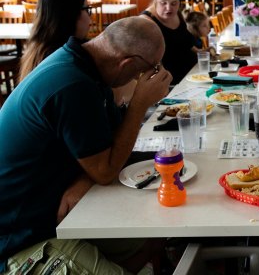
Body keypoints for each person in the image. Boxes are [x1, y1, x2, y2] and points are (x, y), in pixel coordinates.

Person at [0, 16, 172, 274]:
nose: (146, 76)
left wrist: (85, 178)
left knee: (155, 236)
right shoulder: (72, 85)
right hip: (22, 239)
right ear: (127, 63)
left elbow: (108, 151)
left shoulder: (85, 64)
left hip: (62, 214)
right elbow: (105, 171)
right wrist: (139, 104)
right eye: (149, 69)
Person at [19, 0, 90, 83]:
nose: (90, 19)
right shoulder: (67, 59)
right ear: (71, 15)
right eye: (87, 10)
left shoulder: (38, 49)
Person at [141, 0, 198, 85]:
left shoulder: (177, 14)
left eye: (174, 3)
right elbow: (149, 62)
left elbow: (186, 41)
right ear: (155, 1)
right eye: (163, 3)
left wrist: (202, 53)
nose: (169, 8)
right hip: (171, 81)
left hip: (193, 73)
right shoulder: (147, 22)